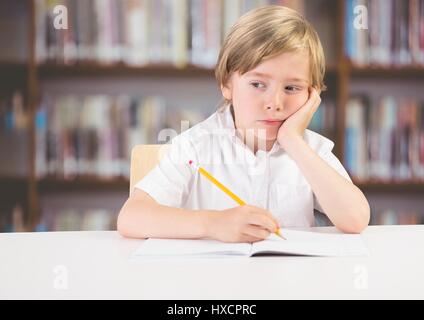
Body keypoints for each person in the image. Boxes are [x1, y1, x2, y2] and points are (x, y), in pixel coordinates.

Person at [117, 5, 370, 242]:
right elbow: (132, 217)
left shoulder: (310, 150)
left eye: (292, 88)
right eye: (258, 84)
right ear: (227, 84)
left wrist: (292, 140)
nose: (275, 103)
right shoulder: (196, 146)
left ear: (311, 95)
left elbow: (355, 219)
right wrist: (213, 223)